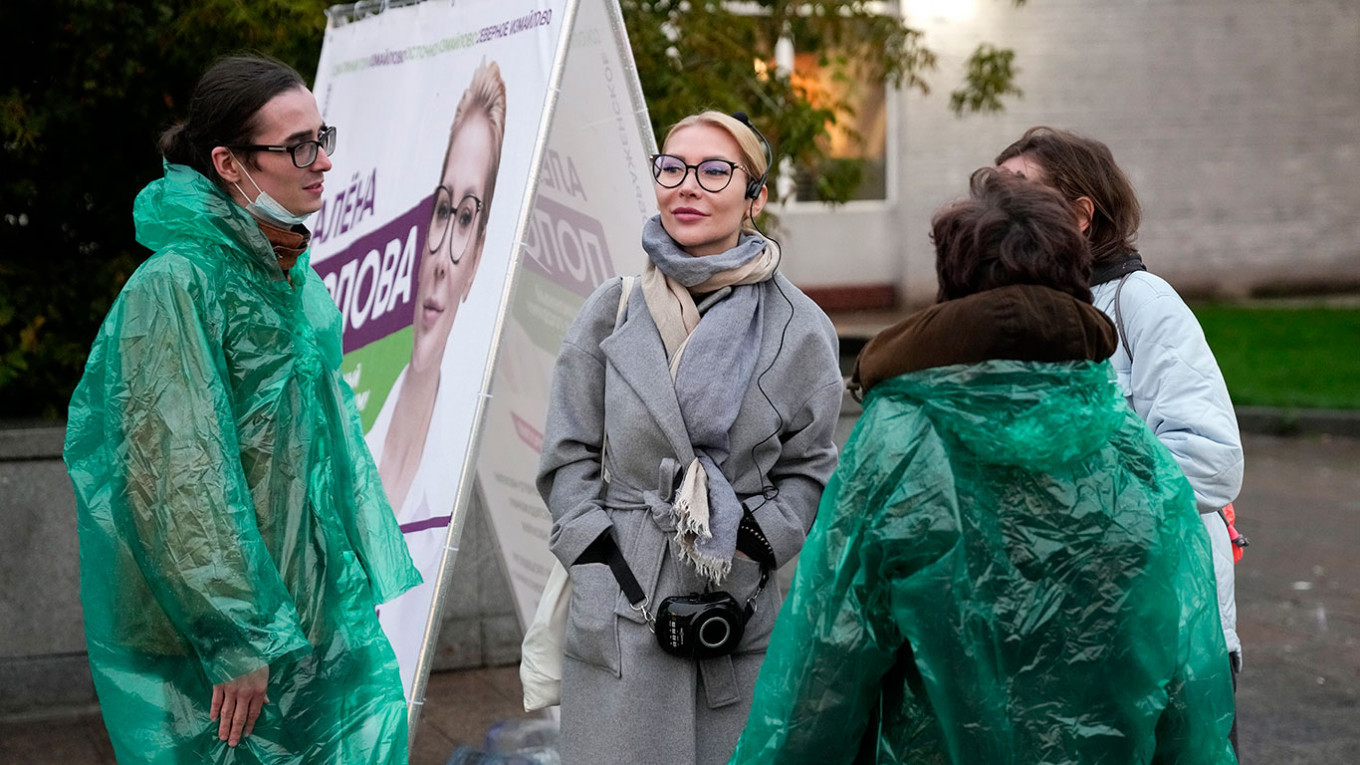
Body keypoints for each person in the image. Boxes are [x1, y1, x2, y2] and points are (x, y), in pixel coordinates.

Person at [731, 170, 1236, 764]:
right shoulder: (1133, 451)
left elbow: (824, 668)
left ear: (952, 283)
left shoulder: (897, 445)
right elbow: (1185, 683)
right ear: (1079, 279)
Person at [64, 55, 421, 764]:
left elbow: (319, 449)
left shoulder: (293, 279)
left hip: (315, 612)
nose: (321, 161)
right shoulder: (176, 285)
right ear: (228, 163)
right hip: (223, 639)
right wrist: (235, 633)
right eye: (297, 146)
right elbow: (176, 473)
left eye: (324, 138)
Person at [536, 110, 843, 764]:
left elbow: (811, 466)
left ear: (754, 196)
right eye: (672, 168)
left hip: (734, 598)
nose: (687, 186)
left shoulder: (800, 325)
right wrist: (599, 561)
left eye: (714, 171)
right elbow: (567, 454)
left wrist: (754, 546)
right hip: (621, 596)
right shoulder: (611, 309)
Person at [995, 126, 1245, 744]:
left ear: (1081, 214)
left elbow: (1210, 463)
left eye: (1020, 194)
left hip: (1163, 629)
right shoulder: (1008, 315)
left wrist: (1066, 501)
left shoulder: (1142, 301)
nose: (997, 212)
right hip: (1051, 631)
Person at [363, 59, 507, 693]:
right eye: (441, 210)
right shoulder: (349, 430)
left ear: (477, 259)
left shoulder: (447, 469)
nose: (443, 258)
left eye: (468, 218)